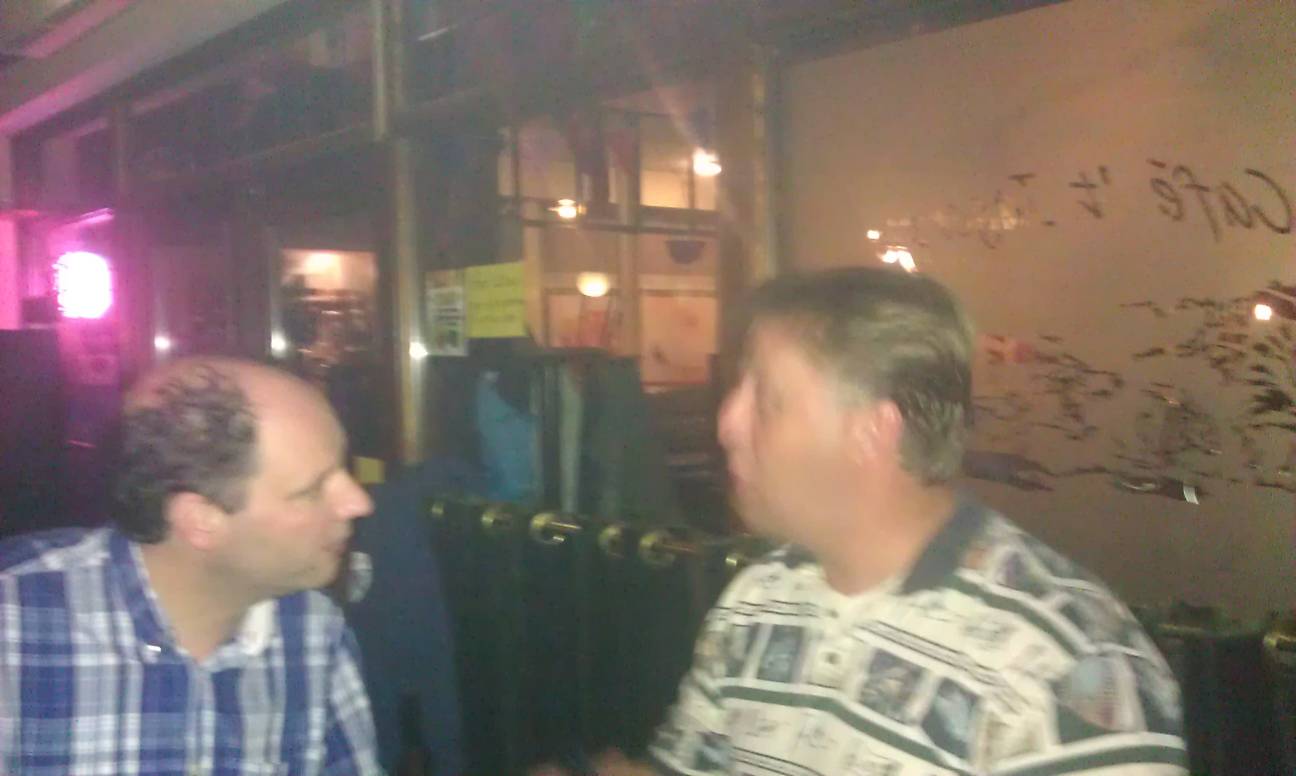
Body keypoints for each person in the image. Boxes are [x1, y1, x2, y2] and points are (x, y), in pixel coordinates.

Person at [545, 267, 1188, 774]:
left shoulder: (1064, 669)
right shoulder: (758, 599)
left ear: (872, 431)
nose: (727, 424)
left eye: (767, 400)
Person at [0, 357, 383, 775]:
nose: (360, 502)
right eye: (312, 490)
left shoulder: (315, 632)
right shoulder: (15, 622)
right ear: (200, 521)